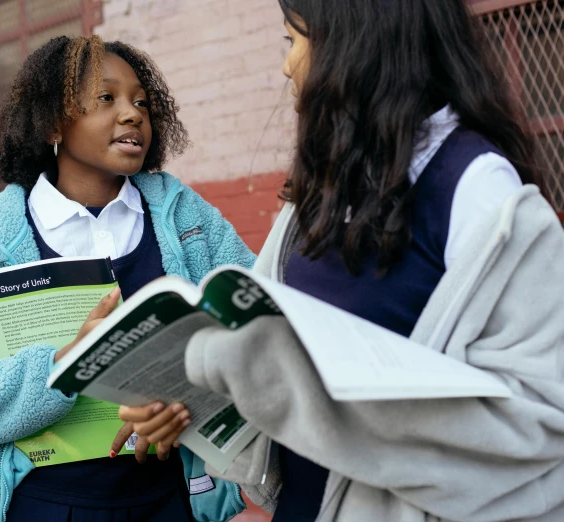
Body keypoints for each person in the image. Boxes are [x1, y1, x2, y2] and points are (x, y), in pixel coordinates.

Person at [121, 1, 564, 521]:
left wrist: (254, 368)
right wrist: (184, 399)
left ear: (354, 40)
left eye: (293, 40)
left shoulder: (477, 188)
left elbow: (539, 430)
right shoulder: (319, 189)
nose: (287, 65)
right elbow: (263, 371)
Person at [0, 35, 254, 522]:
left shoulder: (188, 221)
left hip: (170, 501)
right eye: (107, 98)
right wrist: (66, 365)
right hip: (40, 505)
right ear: (54, 121)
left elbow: (259, 336)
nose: (132, 113)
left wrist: (186, 407)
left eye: (142, 102)